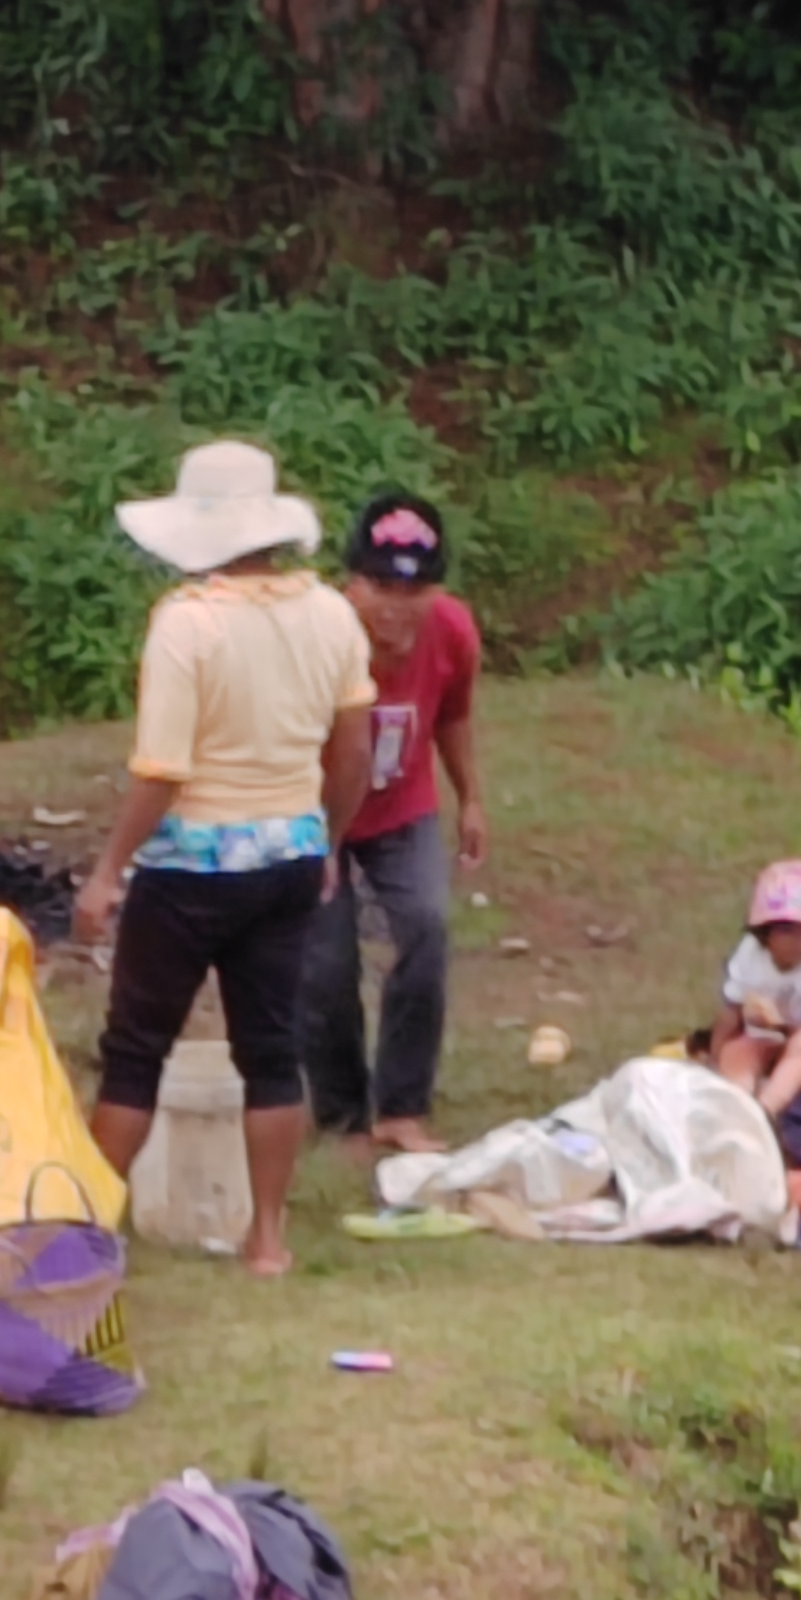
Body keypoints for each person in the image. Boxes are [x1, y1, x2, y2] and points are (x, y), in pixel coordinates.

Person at [71, 441, 376, 1278]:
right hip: (287, 852)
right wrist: (328, 835)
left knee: (137, 1048)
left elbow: (162, 769)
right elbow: (354, 746)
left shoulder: (188, 623)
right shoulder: (330, 614)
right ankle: (267, 1237)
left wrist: (107, 871)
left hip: (191, 866)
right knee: (270, 1048)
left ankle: (90, 1231)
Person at [302, 492, 482, 1156]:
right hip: (313, 813)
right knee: (324, 959)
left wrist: (471, 799)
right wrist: (312, 839)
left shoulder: (453, 632)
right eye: (379, 586)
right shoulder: (317, 637)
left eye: (416, 589)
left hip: (401, 806)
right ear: (349, 583)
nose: (395, 606)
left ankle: (403, 1105)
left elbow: (453, 714)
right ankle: (343, 1111)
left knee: (426, 926)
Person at [706, 859, 801, 1119]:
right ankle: (736, 1102)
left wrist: (779, 1024)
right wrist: (718, 1052)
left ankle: (767, 1108)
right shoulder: (750, 954)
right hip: (760, 1039)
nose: (799, 941)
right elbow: (732, 1009)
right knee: (738, 1051)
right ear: (764, 932)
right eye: (787, 930)